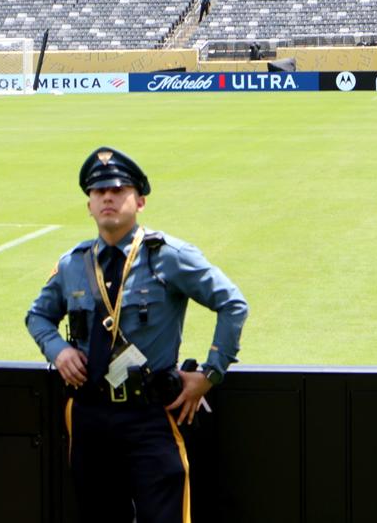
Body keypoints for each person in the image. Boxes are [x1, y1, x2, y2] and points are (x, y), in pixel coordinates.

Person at [25, 147, 248, 523]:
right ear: (89, 206)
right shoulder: (73, 264)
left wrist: (211, 373)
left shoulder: (169, 256)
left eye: (118, 190)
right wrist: (58, 350)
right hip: (89, 413)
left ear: (140, 201)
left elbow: (233, 304)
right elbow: (38, 316)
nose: (107, 198)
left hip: (150, 414)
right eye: (98, 192)